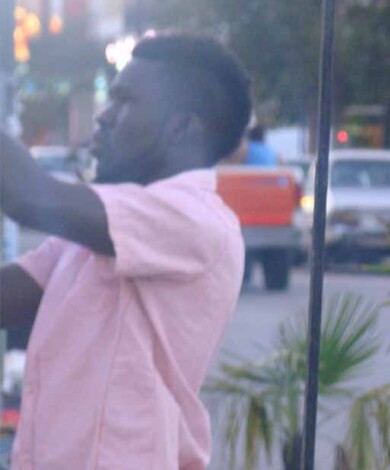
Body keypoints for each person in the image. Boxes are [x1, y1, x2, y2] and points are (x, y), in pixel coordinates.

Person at [0, 34, 252, 469]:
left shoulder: (196, 219)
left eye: (124, 101)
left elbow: (28, 197)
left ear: (181, 128)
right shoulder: (103, 229)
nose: (103, 116)